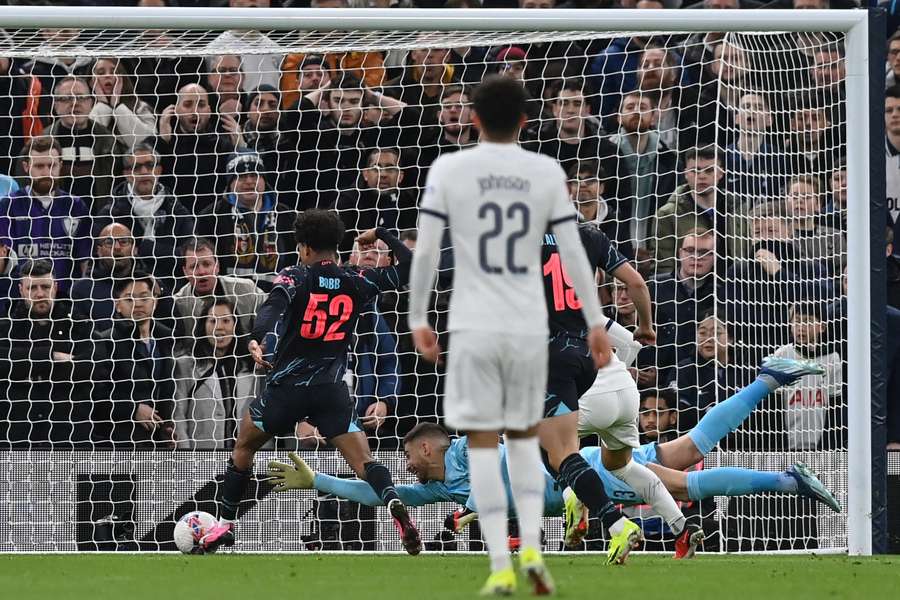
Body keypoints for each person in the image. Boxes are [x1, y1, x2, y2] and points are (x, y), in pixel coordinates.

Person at [268, 359, 841, 557]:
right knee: (687, 449)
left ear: (424, 446)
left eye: (410, 458)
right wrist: (317, 478)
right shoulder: (444, 485)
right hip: (586, 455)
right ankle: (769, 378)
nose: (408, 469)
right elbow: (380, 493)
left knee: (686, 485)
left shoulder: (474, 445)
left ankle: (787, 478)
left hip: (582, 472)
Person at [407, 75, 613, 596]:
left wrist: (419, 319)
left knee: (481, 445)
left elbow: (428, 251)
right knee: (524, 446)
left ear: (472, 119)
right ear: (525, 120)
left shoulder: (450, 168)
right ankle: (535, 556)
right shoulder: (543, 171)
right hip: (529, 327)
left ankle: (501, 563)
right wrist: (594, 322)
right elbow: (573, 251)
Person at [200, 212, 422, 557]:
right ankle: (394, 502)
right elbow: (410, 266)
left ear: (302, 247)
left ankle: (224, 527)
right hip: (331, 390)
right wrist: (380, 233)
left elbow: (272, 307)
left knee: (244, 445)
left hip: (287, 389)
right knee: (364, 462)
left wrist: (258, 339)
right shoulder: (358, 278)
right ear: (337, 245)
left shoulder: (294, 276)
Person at [541, 220, 669, 558]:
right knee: (550, 446)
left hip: (548, 356)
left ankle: (613, 522)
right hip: (586, 356)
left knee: (555, 449)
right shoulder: (590, 235)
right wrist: (645, 326)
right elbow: (637, 283)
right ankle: (576, 495)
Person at [0, 259, 106, 448]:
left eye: (45, 287)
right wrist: (51, 357)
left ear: (55, 288)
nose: (40, 293)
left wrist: (24, 369)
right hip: (17, 441)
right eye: (32, 288)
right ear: (21, 290)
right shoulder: (5, 328)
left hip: (69, 439)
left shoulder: (79, 325)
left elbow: (90, 368)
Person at [93, 144, 195, 290]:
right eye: (137, 167)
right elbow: (101, 258)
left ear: (159, 170)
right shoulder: (109, 214)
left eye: (150, 165)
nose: (144, 172)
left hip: (170, 291)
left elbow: (188, 257)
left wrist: (146, 248)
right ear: (127, 174)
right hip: (120, 292)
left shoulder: (178, 211)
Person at [0, 135, 91, 296]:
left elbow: (84, 259)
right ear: (26, 166)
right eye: (39, 166)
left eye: (52, 165)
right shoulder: (9, 205)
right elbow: (5, 261)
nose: (46, 172)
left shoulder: (75, 205)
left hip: (66, 299)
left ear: (61, 165)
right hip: (20, 299)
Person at [96, 273, 177, 448]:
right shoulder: (105, 341)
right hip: (120, 443)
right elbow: (96, 395)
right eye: (129, 299)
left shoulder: (167, 340)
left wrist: (168, 425)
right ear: (117, 305)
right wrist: (132, 410)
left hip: (159, 442)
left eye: (144, 297)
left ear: (155, 301)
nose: (138, 303)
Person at [195, 150, 296, 288]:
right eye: (241, 176)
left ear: (264, 179)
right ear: (230, 182)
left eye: (254, 175)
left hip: (278, 297)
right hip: (230, 300)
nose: (249, 181)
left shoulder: (286, 215)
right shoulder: (211, 217)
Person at [174, 297, 261, 450]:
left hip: (245, 455)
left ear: (235, 325)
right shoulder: (186, 365)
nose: (219, 328)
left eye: (226, 321)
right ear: (203, 325)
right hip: (201, 457)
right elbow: (178, 416)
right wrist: (185, 455)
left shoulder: (252, 367)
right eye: (213, 321)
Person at [651, 145, 748, 275]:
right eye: (695, 171)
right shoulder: (668, 215)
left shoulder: (738, 209)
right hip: (689, 290)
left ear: (721, 173)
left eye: (709, 170)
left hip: (733, 288)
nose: (701, 176)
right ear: (685, 173)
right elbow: (664, 267)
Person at [172, 237, 266, 353]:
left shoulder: (246, 290)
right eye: (194, 266)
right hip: (199, 367)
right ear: (185, 272)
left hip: (245, 363)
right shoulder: (177, 305)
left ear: (217, 266)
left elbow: (272, 317)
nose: (201, 271)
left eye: (206, 264)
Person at [772, 301, 844, 451]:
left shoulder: (832, 357)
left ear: (822, 327)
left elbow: (835, 407)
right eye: (797, 321)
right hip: (788, 446)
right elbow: (773, 408)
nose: (801, 327)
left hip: (820, 447)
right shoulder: (781, 356)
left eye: (808, 321)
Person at [47, 76, 124, 209]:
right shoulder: (41, 142)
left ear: (91, 103)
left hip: (99, 219)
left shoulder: (108, 141)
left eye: (81, 98)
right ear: (55, 105)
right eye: (66, 98)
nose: (74, 103)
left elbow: (119, 186)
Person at [334, 147, 419, 258]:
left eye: (390, 168)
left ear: (400, 176)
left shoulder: (410, 206)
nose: (383, 174)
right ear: (365, 174)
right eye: (376, 168)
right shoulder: (347, 204)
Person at [88, 57, 157, 152]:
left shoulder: (140, 107)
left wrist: (117, 107)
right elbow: (88, 143)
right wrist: (103, 106)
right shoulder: (84, 108)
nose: (108, 76)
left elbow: (148, 143)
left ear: (122, 78)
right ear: (91, 82)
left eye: (114, 72)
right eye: (101, 73)